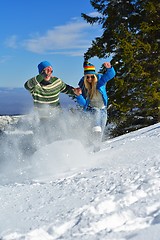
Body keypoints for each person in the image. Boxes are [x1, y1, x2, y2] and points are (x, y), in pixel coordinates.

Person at [24, 60, 77, 144]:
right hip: (42, 119)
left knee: (59, 138)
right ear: (41, 72)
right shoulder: (36, 86)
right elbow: (27, 85)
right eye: (47, 70)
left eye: (51, 70)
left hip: (57, 116)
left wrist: (74, 91)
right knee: (45, 140)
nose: (49, 72)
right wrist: (42, 76)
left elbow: (66, 88)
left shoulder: (57, 82)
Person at [74, 61, 116, 151]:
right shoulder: (84, 87)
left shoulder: (100, 82)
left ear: (94, 76)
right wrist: (79, 96)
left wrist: (109, 68)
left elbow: (110, 74)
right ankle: (92, 140)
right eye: (87, 77)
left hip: (103, 110)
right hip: (92, 110)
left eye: (91, 77)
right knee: (96, 116)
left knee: (101, 130)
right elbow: (84, 104)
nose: (89, 79)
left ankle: (96, 149)